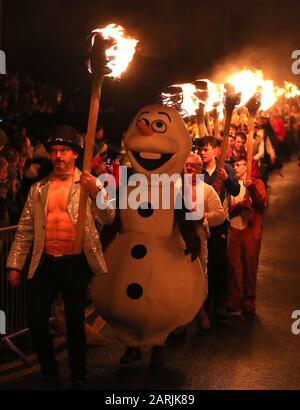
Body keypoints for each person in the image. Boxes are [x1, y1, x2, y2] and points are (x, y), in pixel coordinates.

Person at [6, 124, 114, 387]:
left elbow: (108, 216)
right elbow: (24, 230)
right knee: (36, 320)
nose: (58, 156)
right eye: (55, 150)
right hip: (45, 262)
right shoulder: (39, 188)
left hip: (75, 263)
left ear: (75, 153)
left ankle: (78, 374)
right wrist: (15, 265)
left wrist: (96, 191)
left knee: (75, 324)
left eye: (64, 150)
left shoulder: (88, 183)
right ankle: (49, 371)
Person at [198, 136, 240, 324]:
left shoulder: (226, 169)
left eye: (206, 149)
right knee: (202, 264)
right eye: (200, 149)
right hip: (199, 223)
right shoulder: (196, 170)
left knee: (219, 262)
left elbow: (236, 190)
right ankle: (203, 302)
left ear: (216, 150)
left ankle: (220, 302)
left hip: (220, 224)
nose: (202, 153)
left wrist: (226, 179)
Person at [184, 152, 225, 329]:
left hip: (199, 237)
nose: (189, 169)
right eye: (186, 165)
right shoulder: (174, 188)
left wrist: (204, 216)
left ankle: (200, 312)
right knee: (180, 276)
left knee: (200, 274)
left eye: (193, 166)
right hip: (179, 239)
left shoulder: (207, 190)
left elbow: (220, 215)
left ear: (200, 169)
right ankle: (182, 318)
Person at [226, 155, 267, 315]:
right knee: (235, 267)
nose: (235, 168)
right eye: (234, 165)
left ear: (246, 166)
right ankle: (234, 301)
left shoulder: (256, 183)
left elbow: (261, 202)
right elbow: (226, 207)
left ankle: (248, 301)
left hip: (250, 231)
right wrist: (237, 206)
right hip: (234, 229)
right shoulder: (232, 185)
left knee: (250, 267)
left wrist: (251, 188)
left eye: (238, 165)